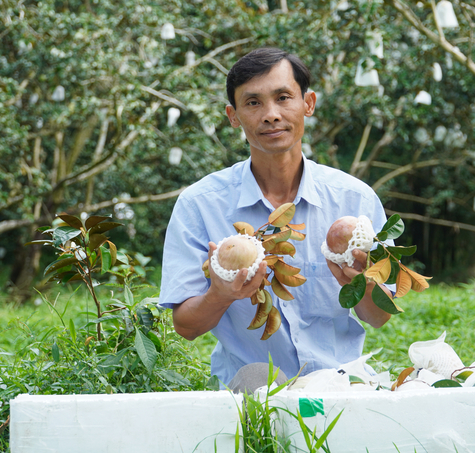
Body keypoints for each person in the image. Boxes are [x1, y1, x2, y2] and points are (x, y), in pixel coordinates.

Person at [159, 47, 392, 392]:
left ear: (308, 103)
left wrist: (360, 284)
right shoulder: (200, 205)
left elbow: (379, 316)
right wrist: (220, 295)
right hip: (249, 390)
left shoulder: (354, 201)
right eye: (253, 103)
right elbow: (186, 326)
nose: (271, 115)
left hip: (342, 388)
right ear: (233, 116)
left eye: (283, 97)